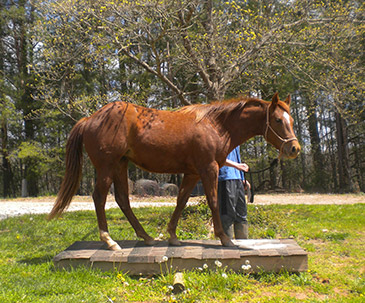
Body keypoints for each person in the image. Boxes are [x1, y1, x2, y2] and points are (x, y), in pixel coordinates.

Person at [218, 146, 250, 239]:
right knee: (226, 215)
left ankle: (243, 245)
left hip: (238, 179)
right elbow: (217, 157)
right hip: (224, 179)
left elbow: (238, 158)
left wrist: (243, 179)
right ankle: (228, 245)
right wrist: (236, 166)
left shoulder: (236, 139)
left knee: (241, 215)